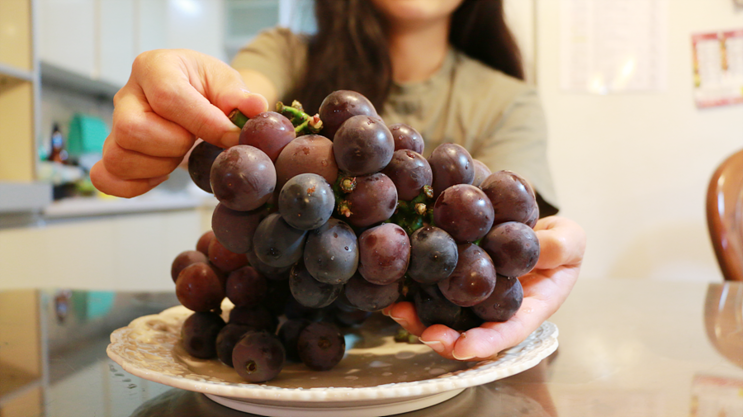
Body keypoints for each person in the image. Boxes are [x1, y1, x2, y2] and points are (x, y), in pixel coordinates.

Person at [90, 0, 586, 361]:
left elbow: (515, 232)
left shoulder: (509, 99)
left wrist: (555, 245)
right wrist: (185, 104)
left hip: (429, 371)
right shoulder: (284, 51)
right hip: (298, 363)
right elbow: (239, 113)